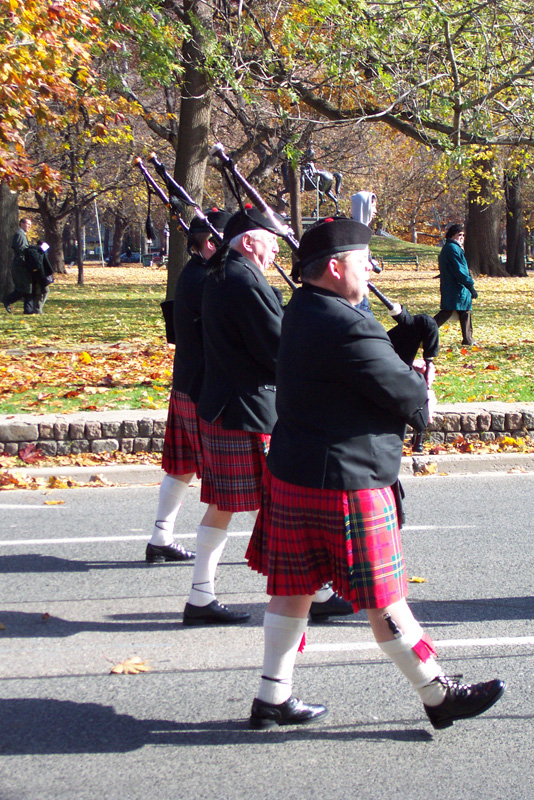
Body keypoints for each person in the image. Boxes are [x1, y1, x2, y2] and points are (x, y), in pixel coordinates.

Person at [246, 217, 505, 730]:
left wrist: (397, 343)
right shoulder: (346, 324)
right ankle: (437, 693)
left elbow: (353, 366)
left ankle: (272, 696)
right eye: (364, 261)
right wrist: (421, 376)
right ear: (336, 267)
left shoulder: (305, 308)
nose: (372, 268)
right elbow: (408, 398)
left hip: (297, 470)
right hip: (346, 478)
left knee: (292, 590)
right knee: (384, 597)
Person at [184, 207, 353, 626]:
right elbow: (279, 349)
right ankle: (311, 594)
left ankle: (202, 595)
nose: (277, 246)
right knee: (285, 505)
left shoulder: (224, 274)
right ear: (247, 241)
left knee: (225, 505)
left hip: (229, 404)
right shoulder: (245, 281)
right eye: (270, 237)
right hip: (250, 408)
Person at [146, 209, 231, 567]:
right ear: (211, 242)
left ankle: (161, 537)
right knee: (239, 477)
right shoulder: (208, 280)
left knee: (181, 467)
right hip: (204, 388)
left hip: (187, 382)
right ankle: (282, 549)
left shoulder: (193, 273)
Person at [434, 223, 478, 346]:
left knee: (465, 312)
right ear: (453, 235)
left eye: (463, 235)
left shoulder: (453, 247)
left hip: (456, 287)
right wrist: (470, 286)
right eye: (459, 234)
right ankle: (423, 333)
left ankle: (468, 339)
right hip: (455, 287)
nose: (462, 237)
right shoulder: (452, 248)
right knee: (447, 312)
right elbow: (460, 270)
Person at [3, 218, 34, 314]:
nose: (29, 226)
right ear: (21, 224)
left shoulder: (22, 235)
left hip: (23, 265)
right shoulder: (19, 234)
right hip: (20, 265)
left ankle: (29, 310)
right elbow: (21, 249)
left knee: (29, 287)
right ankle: (8, 300)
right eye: (27, 224)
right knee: (24, 288)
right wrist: (32, 251)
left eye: (30, 224)